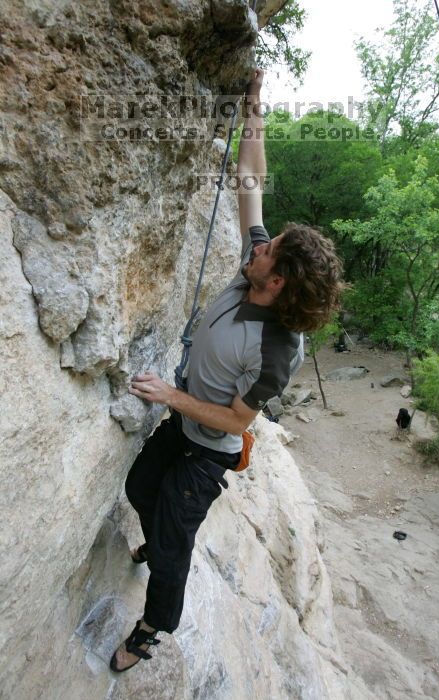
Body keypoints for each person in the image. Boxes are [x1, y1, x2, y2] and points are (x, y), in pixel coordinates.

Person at [110, 68, 344, 672]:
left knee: (171, 544)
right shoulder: (257, 269)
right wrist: (255, 109)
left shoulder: (275, 352)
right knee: (140, 490)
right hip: (185, 420)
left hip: (207, 449)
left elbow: (239, 421)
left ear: (278, 282)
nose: (256, 245)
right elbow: (250, 182)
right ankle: (154, 543)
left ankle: (151, 628)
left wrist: (169, 396)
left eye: (266, 250)